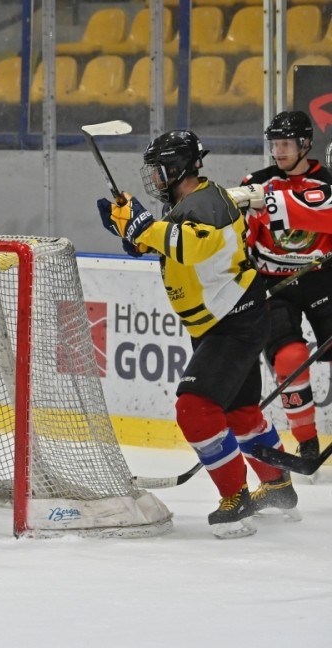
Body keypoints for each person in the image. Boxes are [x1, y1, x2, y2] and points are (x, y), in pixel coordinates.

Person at [97, 129, 297, 538]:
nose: (154, 178)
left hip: (234, 322)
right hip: (220, 321)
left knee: (195, 408)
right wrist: (131, 232)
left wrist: (143, 227)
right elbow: (165, 244)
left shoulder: (210, 202)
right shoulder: (183, 204)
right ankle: (277, 487)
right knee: (240, 414)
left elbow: (190, 246)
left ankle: (236, 498)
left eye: (159, 170)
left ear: (178, 168)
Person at [241, 111, 332, 473]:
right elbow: (243, 239)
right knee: (290, 357)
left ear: (305, 145)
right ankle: (307, 443)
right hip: (274, 284)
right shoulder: (256, 184)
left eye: (286, 144)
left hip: (321, 279)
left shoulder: (327, 183)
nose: (278, 151)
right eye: (275, 144)